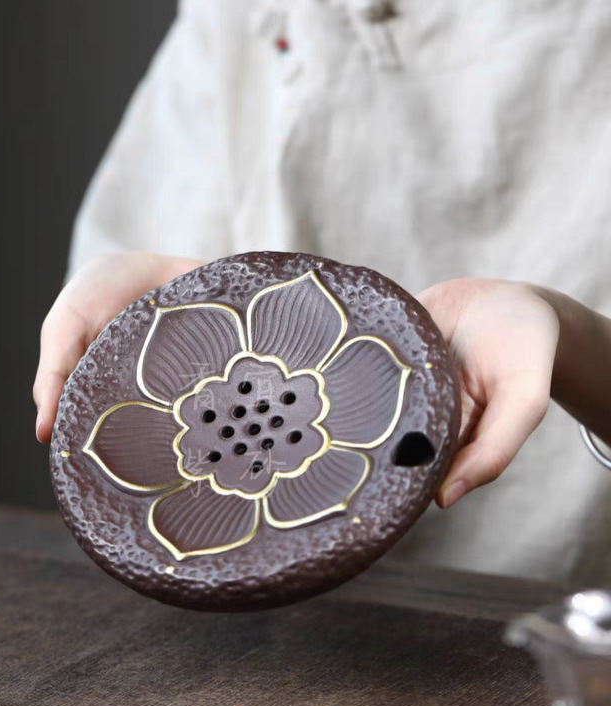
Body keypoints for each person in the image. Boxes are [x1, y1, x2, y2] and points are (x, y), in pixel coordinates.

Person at [33, 0, 611, 586]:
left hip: (553, 599)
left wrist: (569, 337)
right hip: (258, 602)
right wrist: (139, 298)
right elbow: (158, 271)